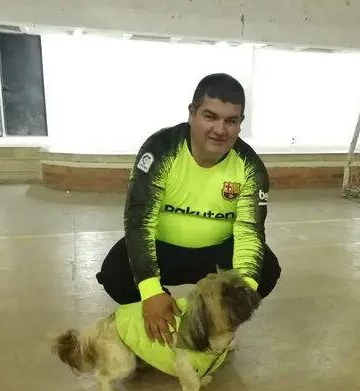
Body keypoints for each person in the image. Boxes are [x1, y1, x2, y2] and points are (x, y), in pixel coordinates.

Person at [96, 72, 281, 345]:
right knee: (115, 272)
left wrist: (235, 303)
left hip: (217, 254)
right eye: (210, 116)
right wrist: (151, 292)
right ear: (192, 113)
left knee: (267, 270)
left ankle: (215, 326)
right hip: (163, 249)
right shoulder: (161, 150)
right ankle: (162, 317)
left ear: (240, 123)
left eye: (231, 121)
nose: (220, 130)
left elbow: (249, 234)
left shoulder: (250, 166)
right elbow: (139, 222)